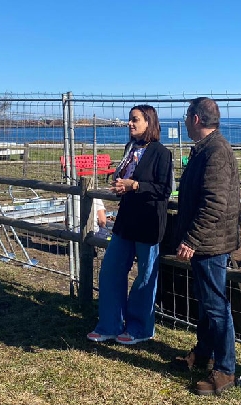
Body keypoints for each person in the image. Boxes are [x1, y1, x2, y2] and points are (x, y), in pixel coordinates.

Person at [87, 104, 172, 345]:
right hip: (125, 221)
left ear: (149, 122)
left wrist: (135, 185)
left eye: (135, 120)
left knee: (145, 277)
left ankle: (140, 327)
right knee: (110, 271)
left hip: (148, 223)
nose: (130, 124)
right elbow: (123, 179)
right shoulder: (129, 148)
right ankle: (110, 324)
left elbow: (165, 190)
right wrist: (119, 186)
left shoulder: (161, 153)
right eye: (129, 119)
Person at [172, 97, 241, 396]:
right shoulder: (205, 150)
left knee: (215, 306)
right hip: (207, 242)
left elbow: (214, 204)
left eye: (187, 115)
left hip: (211, 244)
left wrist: (192, 239)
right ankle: (203, 353)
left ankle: (225, 370)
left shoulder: (216, 152)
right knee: (206, 302)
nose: (185, 120)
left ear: (196, 119)